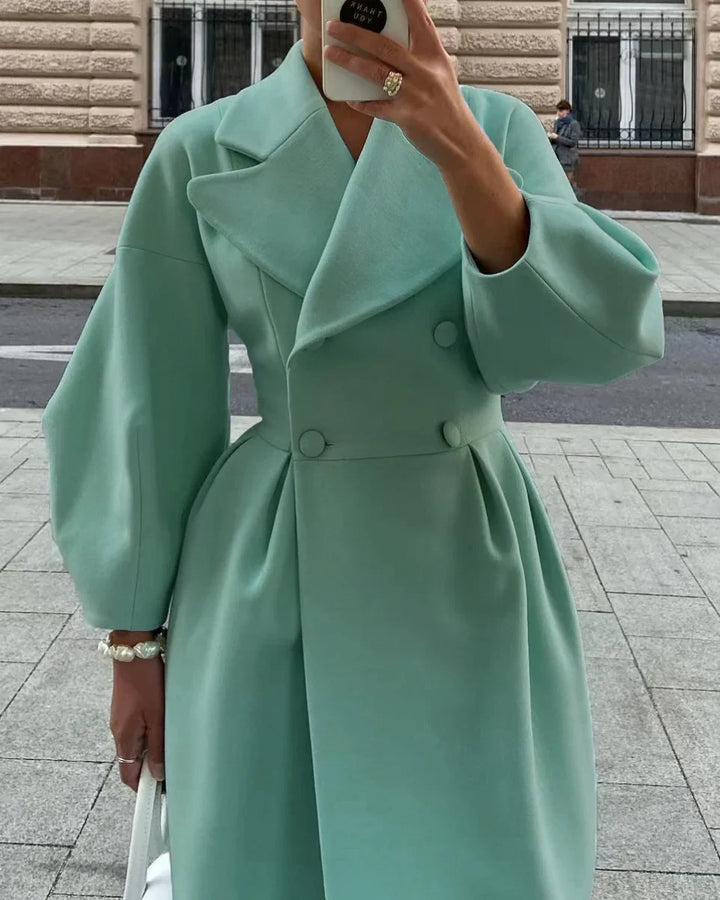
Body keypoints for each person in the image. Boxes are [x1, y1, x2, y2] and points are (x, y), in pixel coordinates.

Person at [40, 0, 665, 897]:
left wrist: (456, 147)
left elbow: (585, 344)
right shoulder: (203, 148)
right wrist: (134, 644)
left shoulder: (496, 130)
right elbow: (144, 398)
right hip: (273, 568)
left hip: (465, 553)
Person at [548, 98, 583, 194]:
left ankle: (575, 200)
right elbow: (555, 137)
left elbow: (573, 142)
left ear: (567, 111)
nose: (558, 113)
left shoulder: (574, 124)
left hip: (568, 158)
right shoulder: (558, 123)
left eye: (560, 110)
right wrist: (550, 137)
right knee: (558, 183)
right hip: (557, 157)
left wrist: (557, 137)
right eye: (557, 111)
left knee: (567, 184)